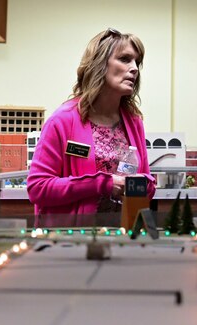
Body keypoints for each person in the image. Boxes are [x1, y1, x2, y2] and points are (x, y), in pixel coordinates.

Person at [26, 29, 155, 222]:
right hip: (71, 240)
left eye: (137, 62)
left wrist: (142, 185)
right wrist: (103, 184)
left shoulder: (133, 122)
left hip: (122, 235)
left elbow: (146, 185)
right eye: (125, 59)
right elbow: (38, 188)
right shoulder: (63, 120)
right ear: (100, 64)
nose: (134, 68)